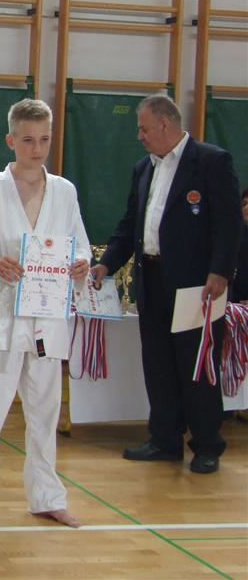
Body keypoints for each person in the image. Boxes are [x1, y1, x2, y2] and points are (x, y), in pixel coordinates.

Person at [0, 98, 90, 532]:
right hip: (2, 317)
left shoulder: (64, 191)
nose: (37, 149)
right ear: (10, 140)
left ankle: (48, 497)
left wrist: (81, 265)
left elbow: (79, 244)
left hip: (47, 317)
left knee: (45, 415)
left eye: (44, 140)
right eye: (28, 140)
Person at [91, 94, 242, 474]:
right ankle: (165, 439)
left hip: (198, 285)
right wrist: (106, 264)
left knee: (197, 364)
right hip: (153, 278)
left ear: (164, 124)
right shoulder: (144, 168)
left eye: (143, 128)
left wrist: (220, 271)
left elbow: (229, 223)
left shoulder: (211, 161)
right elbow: (130, 225)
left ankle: (207, 444)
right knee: (158, 362)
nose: (139, 135)